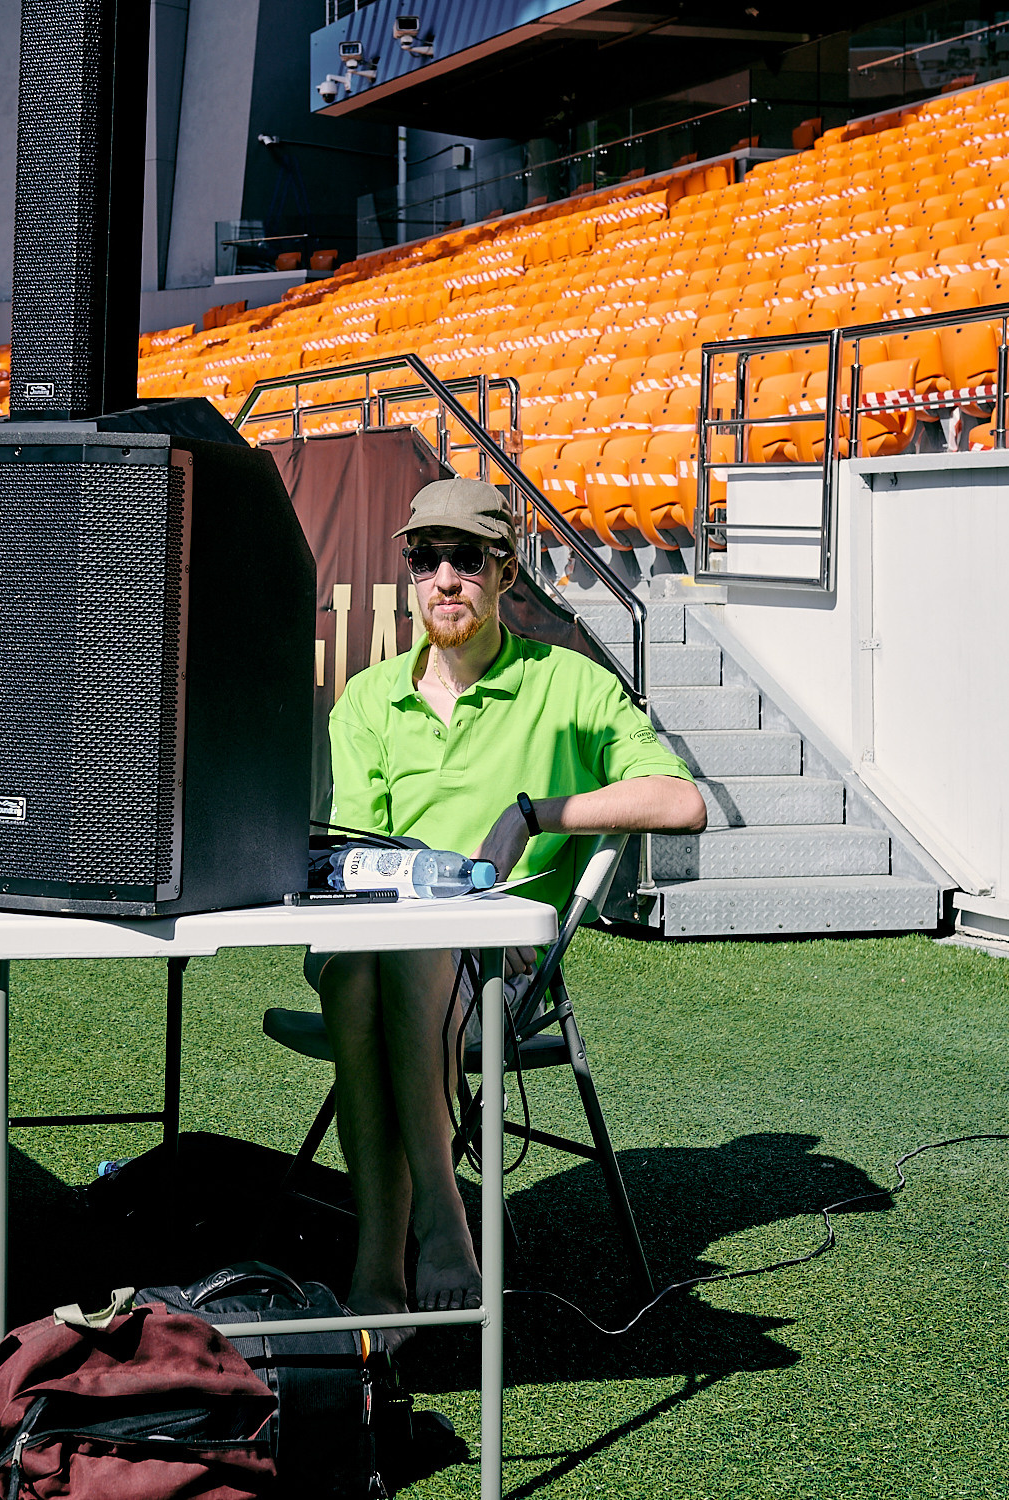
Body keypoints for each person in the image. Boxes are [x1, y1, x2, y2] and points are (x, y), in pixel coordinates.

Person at [311, 477, 707, 1329]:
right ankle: (416, 1235)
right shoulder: (368, 699)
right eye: (426, 559)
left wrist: (533, 815)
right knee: (364, 965)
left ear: (505, 572)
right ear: (411, 576)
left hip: (502, 971)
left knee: (385, 964)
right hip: (387, 953)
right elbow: (354, 861)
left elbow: (681, 802)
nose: (444, 578)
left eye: (465, 560)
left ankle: (401, 1249)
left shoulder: (569, 684)